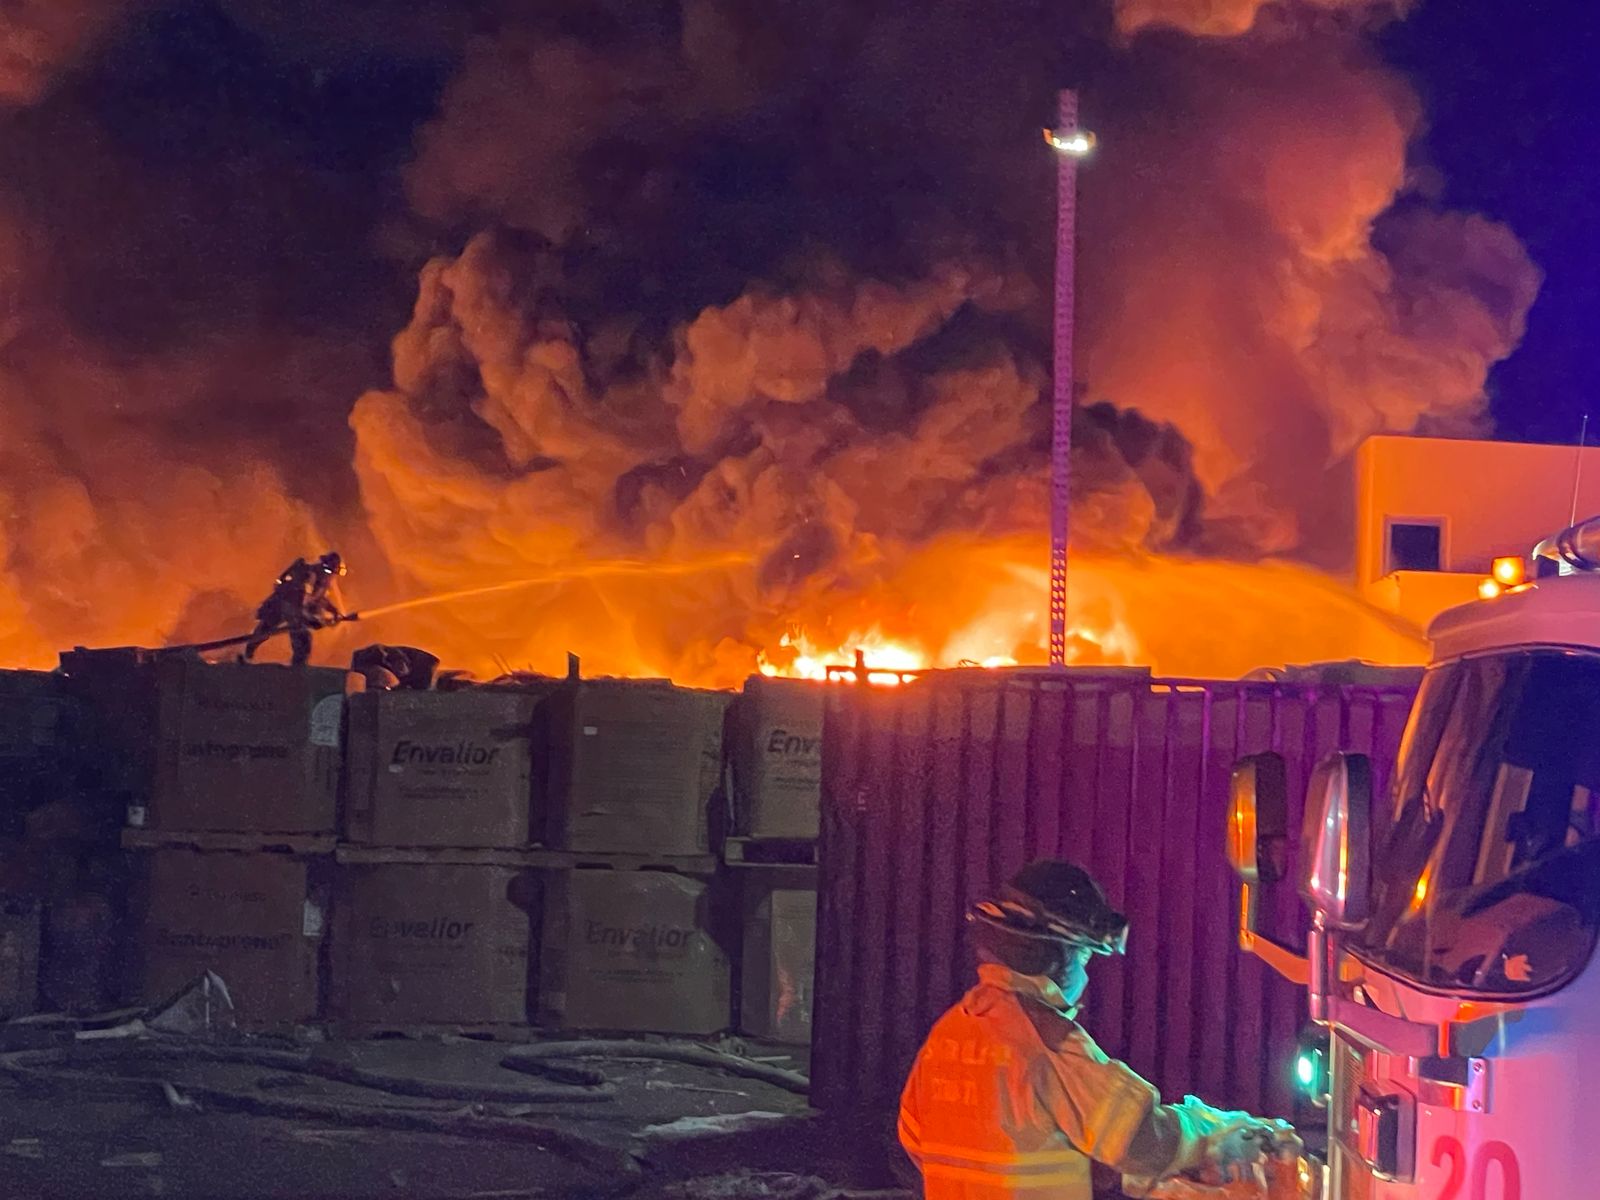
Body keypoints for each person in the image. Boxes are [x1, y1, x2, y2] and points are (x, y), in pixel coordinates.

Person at [898, 860, 1300, 1199]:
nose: (1085, 974)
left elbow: (917, 1141)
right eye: (1084, 956)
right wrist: (1210, 1138)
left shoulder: (948, 1034)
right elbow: (1139, 1139)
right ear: (1050, 954)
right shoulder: (1046, 1039)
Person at [242, 552, 347, 666]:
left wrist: (333, 611)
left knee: (266, 629)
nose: (332, 577)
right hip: (285, 606)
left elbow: (318, 599)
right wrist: (312, 619)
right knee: (301, 639)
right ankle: (296, 669)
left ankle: (248, 654)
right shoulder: (313, 576)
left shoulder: (320, 578)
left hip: (283, 605)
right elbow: (302, 600)